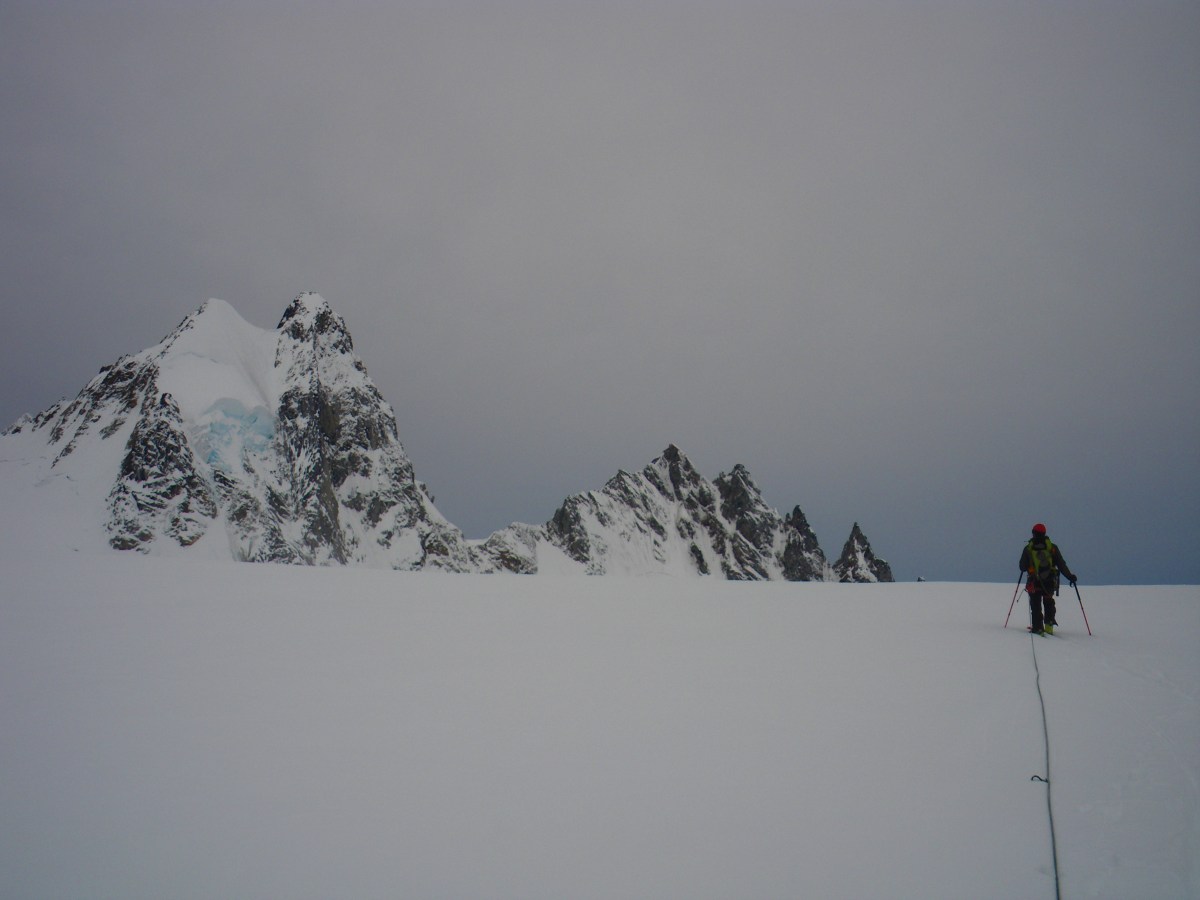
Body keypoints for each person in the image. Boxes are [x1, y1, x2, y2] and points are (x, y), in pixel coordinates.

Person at [1019, 523, 1076, 634]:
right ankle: (1049, 627)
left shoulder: (1028, 548)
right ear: (1045, 533)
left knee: (1036, 604)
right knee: (1048, 601)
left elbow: (1022, 567)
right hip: (1050, 580)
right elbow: (1061, 564)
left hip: (1034, 581)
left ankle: (1038, 628)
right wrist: (1070, 576)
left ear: (1033, 533)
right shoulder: (1052, 548)